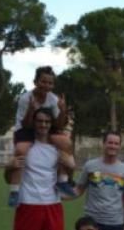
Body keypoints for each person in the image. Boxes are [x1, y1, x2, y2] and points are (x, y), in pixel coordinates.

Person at [7, 66, 74, 207]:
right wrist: (31, 111)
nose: (47, 85)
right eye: (43, 81)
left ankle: (63, 181)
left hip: (45, 127)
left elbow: (59, 125)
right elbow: (24, 124)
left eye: (50, 83)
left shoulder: (54, 99)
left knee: (66, 143)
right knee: (21, 150)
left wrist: (63, 111)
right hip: (27, 129)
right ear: (35, 81)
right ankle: (14, 191)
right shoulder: (25, 98)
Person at [73, 131, 124, 230]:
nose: (113, 146)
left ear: (120, 146)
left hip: (115, 223)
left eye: (116, 143)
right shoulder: (90, 166)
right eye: (110, 142)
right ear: (103, 143)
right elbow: (79, 189)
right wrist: (59, 195)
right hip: (92, 222)